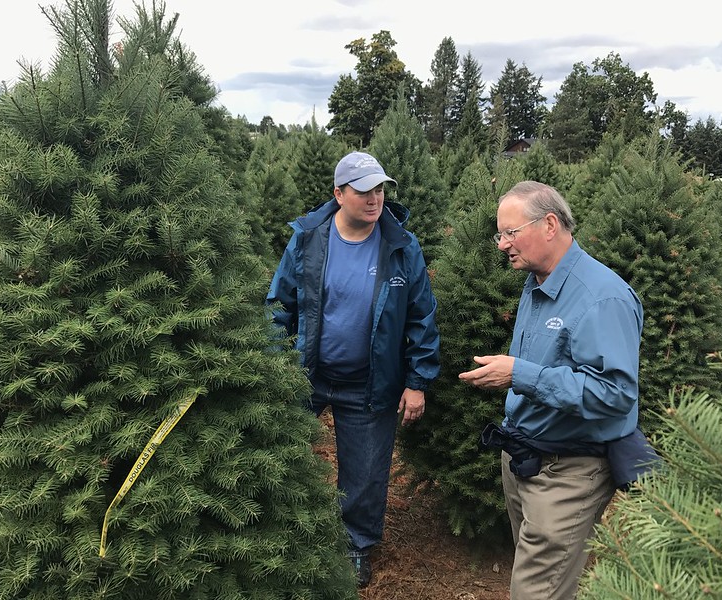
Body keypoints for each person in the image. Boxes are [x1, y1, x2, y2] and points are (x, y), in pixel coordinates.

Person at [459, 181, 644, 600]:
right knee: (551, 585)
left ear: (549, 224)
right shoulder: (537, 280)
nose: (503, 244)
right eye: (499, 234)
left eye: (511, 232)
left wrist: (518, 375)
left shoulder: (602, 298)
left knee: (536, 592)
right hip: (524, 458)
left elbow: (615, 394)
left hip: (569, 470)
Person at [266, 151, 440, 588]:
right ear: (339, 194)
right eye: (363, 191)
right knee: (279, 453)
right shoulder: (308, 239)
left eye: (380, 189)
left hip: (370, 381)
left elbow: (422, 316)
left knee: (365, 472)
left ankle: (356, 546)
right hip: (307, 374)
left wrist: (417, 381)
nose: (374, 199)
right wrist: (274, 367)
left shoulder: (401, 246)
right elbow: (280, 305)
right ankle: (277, 529)